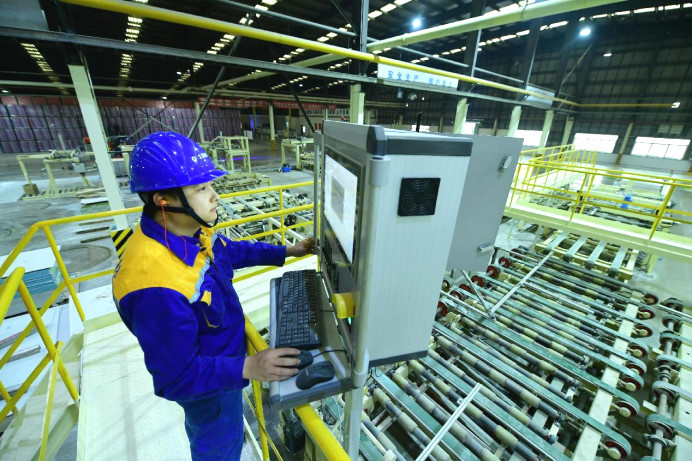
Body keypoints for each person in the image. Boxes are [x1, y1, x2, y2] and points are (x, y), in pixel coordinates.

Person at [112, 131, 314, 460]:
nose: (215, 196)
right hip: (210, 387)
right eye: (201, 189)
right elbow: (175, 379)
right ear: (164, 200)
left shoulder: (185, 230)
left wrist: (288, 250)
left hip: (223, 361)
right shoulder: (155, 284)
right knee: (218, 445)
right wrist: (249, 367)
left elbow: (229, 251)